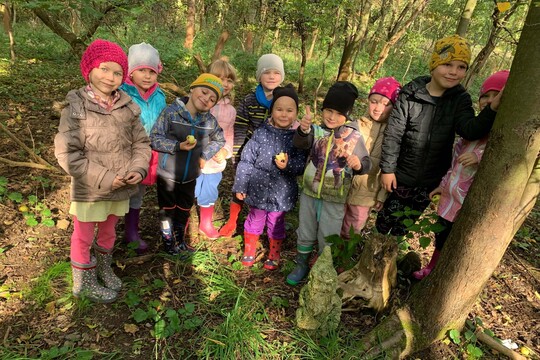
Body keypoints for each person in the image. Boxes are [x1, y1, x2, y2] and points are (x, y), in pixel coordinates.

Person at [375, 34, 502, 238]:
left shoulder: (460, 99)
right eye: (448, 64)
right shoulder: (410, 94)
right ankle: (369, 259)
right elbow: (393, 134)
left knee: (402, 228)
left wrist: (492, 109)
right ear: (434, 64)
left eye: (461, 67)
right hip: (401, 177)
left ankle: (387, 261)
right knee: (384, 222)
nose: (454, 72)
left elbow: (470, 130)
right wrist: (388, 170)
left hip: (430, 181)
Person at [54, 39, 151, 303]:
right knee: (83, 235)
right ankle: (83, 282)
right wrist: (106, 178)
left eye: (117, 72)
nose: (110, 77)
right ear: (89, 69)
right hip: (91, 188)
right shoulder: (76, 106)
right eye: (104, 69)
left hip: (121, 186)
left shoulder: (128, 106)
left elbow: (141, 143)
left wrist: (138, 168)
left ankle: (104, 268)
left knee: (109, 231)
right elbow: (67, 154)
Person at [413, 70, 509, 280]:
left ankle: (445, 274)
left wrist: (479, 157)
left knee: (457, 240)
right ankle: (432, 267)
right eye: (486, 95)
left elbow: (501, 159)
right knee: (441, 234)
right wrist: (442, 184)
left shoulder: (499, 135)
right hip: (450, 198)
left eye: (496, 96)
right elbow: (454, 162)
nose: (489, 101)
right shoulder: (471, 131)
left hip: (467, 202)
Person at [286, 81, 372, 286]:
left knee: (329, 234)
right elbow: (300, 144)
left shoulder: (354, 137)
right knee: (306, 229)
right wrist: (303, 131)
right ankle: (301, 264)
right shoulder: (316, 131)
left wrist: (358, 164)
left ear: (347, 115)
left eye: (338, 113)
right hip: (309, 192)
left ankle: (324, 269)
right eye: (329, 110)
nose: (332, 117)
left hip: (335, 197)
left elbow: (366, 163)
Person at [232, 85, 308, 270]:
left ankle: (274, 253)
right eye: (279, 109)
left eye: (289, 110)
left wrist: (288, 165)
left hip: (281, 193)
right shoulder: (260, 133)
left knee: (276, 222)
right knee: (254, 219)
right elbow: (246, 160)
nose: (284, 114)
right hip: (257, 190)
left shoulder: (297, 138)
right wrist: (241, 186)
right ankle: (249, 249)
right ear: (271, 111)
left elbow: (301, 166)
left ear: (296, 113)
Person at [150, 73, 225, 256]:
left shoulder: (208, 120)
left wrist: (205, 155)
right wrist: (177, 146)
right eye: (204, 91)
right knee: (167, 210)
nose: (206, 98)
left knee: (184, 208)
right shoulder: (171, 113)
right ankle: (168, 241)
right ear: (192, 89)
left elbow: (219, 139)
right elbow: (154, 139)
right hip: (168, 174)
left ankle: (180, 239)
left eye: (212, 98)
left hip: (191, 174)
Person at [219, 54, 285, 238]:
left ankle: (264, 223)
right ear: (259, 76)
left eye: (276, 73)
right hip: (250, 151)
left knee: (270, 188)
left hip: (274, 154)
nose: (271, 77)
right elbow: (240, 126)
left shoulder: (284, 99)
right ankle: (232, 221)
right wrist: (237, 153)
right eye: (267, 72)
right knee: (241, 185)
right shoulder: (249, 100)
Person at [340, 77, 401, 240]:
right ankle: (326, 253)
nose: (378, 108)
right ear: (368, 101)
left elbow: (389, 167)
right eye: (374, 101)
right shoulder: (356, 125)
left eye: (386, 104)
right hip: (343, 187)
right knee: (334, 221)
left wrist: (381, 196)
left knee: (353, 229)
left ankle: (344, 259)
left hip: (368, 191)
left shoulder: (393, 134)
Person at [120, 42, 166, 254]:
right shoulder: (122, 93)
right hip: (126, 150)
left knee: (138, 191)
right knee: (120, 190)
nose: (147, 76)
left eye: (152, 71)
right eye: (141, 71)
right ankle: (108, 231)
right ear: (131, 72)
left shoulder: (159, 96)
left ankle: (131, 232)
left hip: (150, 150)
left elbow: (164, 121)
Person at [195, 59, 237, 239]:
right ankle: (182, 220)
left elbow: (229, 134)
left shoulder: (231, 110)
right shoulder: (200, 103)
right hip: (196, 158)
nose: (225, 84)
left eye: (229, 80)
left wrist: (226, 151)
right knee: (192, 188)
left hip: (215, 161)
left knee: (210, 189)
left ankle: (205, 222)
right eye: (219, 79)